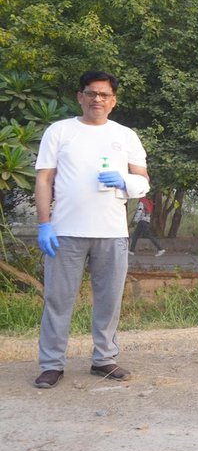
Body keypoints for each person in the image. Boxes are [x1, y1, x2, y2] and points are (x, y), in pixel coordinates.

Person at [33, 71, 151, 388]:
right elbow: (44, 179)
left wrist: (124, 180)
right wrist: (44, 224)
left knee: (109, 299)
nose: (97, 99)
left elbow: (143, 181)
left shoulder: (125, 136)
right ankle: (52, 364)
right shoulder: (59, 132)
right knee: (58, 300)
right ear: (80, 96)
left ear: (113, 101)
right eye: (91, 93)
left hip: (112, 231)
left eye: (104, 95)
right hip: (65, 231)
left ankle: (104, 359)